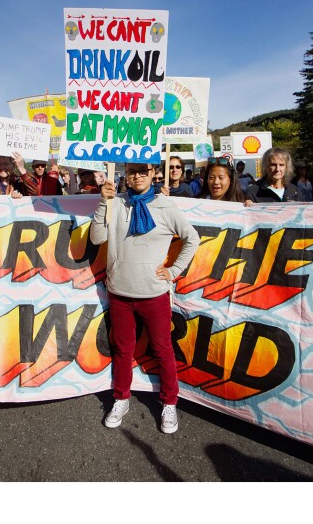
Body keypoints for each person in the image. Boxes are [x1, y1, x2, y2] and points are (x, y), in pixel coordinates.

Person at [90, 162, 199, 434]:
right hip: (119, 293)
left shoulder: (165, 205)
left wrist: (173, 270)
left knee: (163, 349)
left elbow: (191, 238)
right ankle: (121, 399)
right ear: (125, 174)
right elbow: (96, 238)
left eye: (142, 171)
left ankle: (170, 402)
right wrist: (104, 202)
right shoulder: (115, 202)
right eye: (131, 171)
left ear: (153, 174)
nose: (136, 176)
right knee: (123, 350)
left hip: (154, 295)